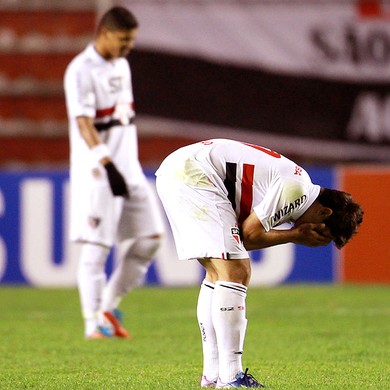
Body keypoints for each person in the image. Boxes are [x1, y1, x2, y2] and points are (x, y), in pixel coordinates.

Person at [155, 138, 364, 388]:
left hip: (182, 170)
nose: (312, 234)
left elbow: (245, 238)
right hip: (195, 175)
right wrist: (296, 236)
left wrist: (294, 235)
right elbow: (249, 235)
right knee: (237, 271)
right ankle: (231, 377)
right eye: (322, 233)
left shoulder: (298, 183)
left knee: (217, 273)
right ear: (324, 213)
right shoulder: (297, 191)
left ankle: (212, 375)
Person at [64, 6, 164, 339]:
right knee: (98, 246)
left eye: (131, 41)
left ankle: (108, 306)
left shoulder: (121, 64)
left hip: (129, 167)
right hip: (99, 170)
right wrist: (106, 163)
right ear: (104, 33)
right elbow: (84, 123)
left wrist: (123, 165)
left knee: (151, 238)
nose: (129, 47)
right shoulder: (80, 70)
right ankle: (93, 324)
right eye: (124, 40)